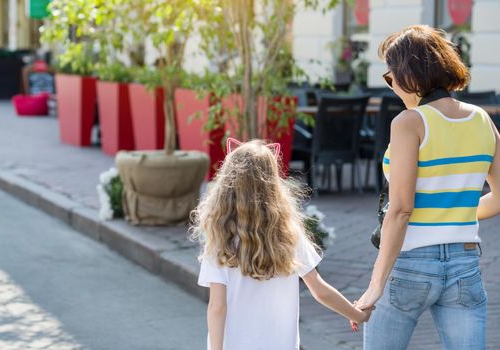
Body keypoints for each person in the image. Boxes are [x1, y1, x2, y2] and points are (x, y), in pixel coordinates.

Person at [353, 25, 500, 349]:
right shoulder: (482, 120)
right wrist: (452, 211)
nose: (392, 87)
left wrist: (375, 285)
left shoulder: (410, 123)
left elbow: (401, 209)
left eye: (391, 77)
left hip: (411, 264)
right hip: (466, 264)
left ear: (410, 74)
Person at [191, 139, 373, 350]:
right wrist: (357, 314)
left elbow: (217, 307)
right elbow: (319, 289)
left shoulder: (220, 238)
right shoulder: (288, 234)